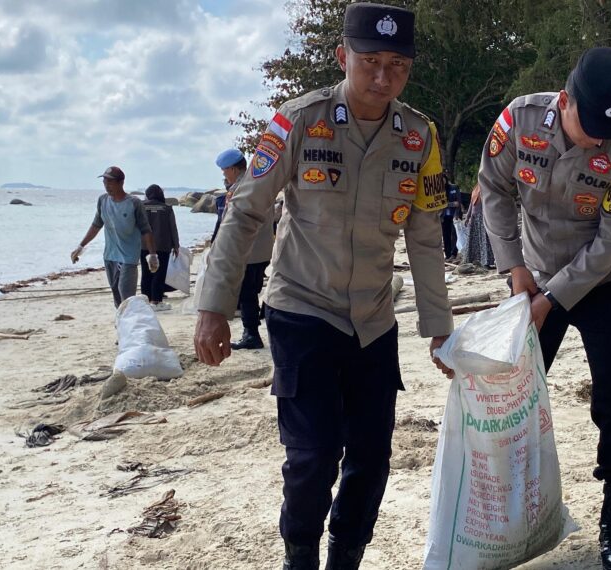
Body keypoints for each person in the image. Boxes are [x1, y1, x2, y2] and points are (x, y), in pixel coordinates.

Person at [192, 4, 453, 568]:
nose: (382, 78)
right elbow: (244, 214)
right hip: (302, 310)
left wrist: (439, 329)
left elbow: (426, 236)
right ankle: (300, 558)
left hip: (373, 321)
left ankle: (346, 559)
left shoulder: (419, 137)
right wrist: (214, 307)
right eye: (370, 62)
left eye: (397, 65)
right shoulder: (298, 120)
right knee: (311, 456)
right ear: (343, 58)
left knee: (371, 457)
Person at [478, 46, 611, 570]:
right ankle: (509, 516)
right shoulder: (519, 119)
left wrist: (553, 299)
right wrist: (516, 271)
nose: (600, 139)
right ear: (565, 99)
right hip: (531, 275)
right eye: (592, 125)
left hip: (602, 281)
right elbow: (494, 188)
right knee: (514, 399)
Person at [214, 147, 275, 350]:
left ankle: (252, 334)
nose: (224, 175)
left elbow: (230, 223)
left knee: (246, 295)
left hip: (247, 252)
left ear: (232, 169)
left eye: (224, 171)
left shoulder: (237, 190)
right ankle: (253, 330)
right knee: (254, 291)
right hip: (264, 250)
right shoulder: (259, 183)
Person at [71, 166, 157, 308]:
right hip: (110, 256)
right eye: (104, 182)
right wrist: (80, 247)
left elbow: (146, 230)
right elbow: (96, 225)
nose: (107, 186)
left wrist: (153, 255)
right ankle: (122, 324)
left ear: (121, 183)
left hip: (129, 258)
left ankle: (130, 324)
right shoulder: (103, 201)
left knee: (126, 295)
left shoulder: (134, 203)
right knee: (116, 295)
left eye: (110, 182)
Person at [140, 184, 180, 311]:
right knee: (159, 273)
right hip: (163, 245)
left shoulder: (141, 206)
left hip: (144, 245)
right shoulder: (166, 208)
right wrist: (176, 245)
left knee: (146, 273)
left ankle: (146, 301)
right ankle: (156, 301)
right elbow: (172, 227)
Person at [461, 184, 495, 268]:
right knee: (475, 240)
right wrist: (468, 216)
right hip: (475, 217)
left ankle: (486, 262)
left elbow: (490, 202)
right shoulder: (475, 189)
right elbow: (471, 204)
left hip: (484, 216)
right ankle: (476, 261)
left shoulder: (487, 187)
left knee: (484, 240)